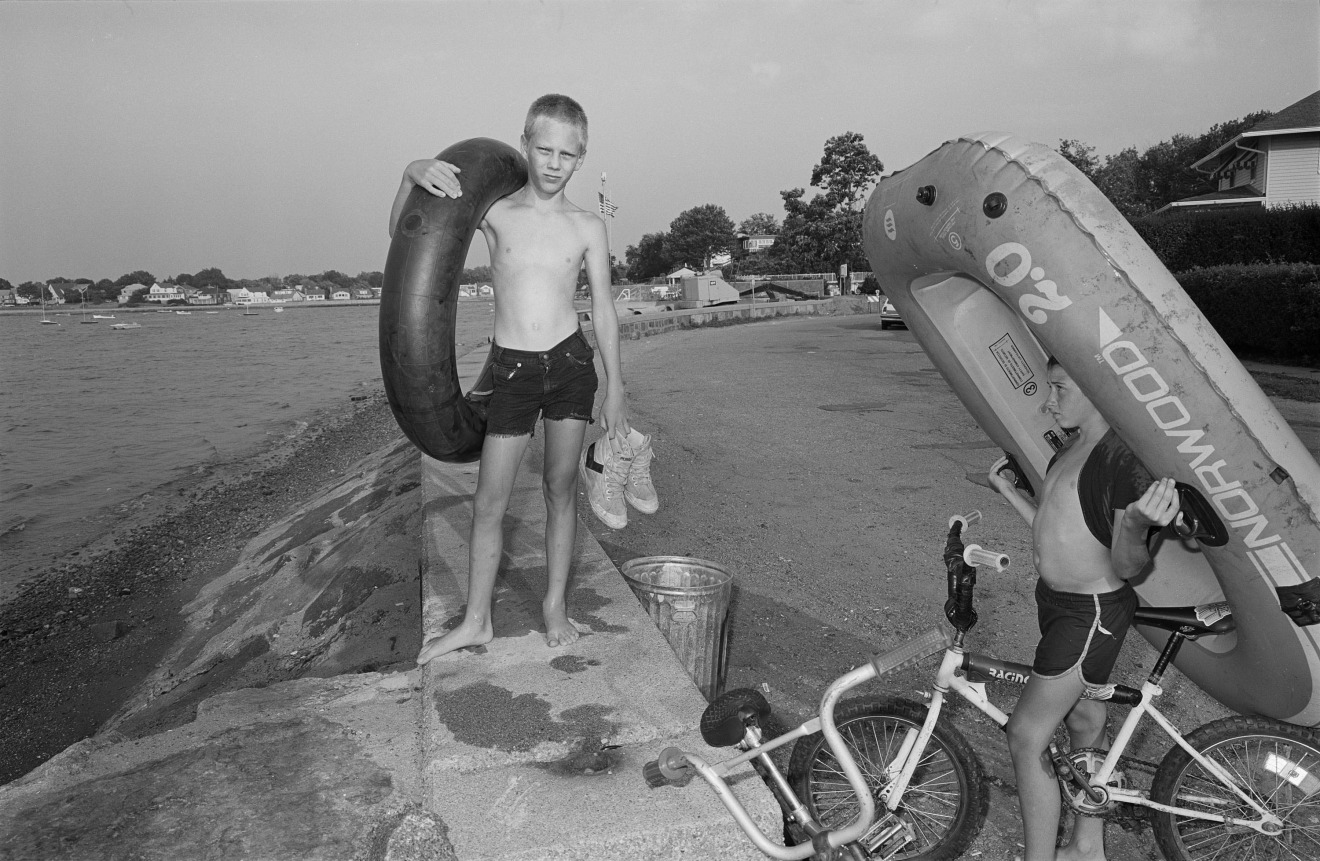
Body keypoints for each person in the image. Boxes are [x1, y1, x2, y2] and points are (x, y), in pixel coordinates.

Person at [391, 94, 630, 663]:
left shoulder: (587, 225)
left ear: (581, 158)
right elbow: (407, 234)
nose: (553, 163)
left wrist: (616, 386)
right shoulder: (496, 213)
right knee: (490, 501)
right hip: (513, 371)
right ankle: (476, 620)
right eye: (543, 149)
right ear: (524, 144)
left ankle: (554, 605)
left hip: (571, 367)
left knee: (559, 490)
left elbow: (602, 307)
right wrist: (409, 175)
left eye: (567, 155)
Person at [988, 358, 1179, 861]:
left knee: (1027, 735)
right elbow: (1056, 527)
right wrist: (1009, 491)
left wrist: (1137, 523)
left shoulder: (1122, 459)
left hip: (1089, 612)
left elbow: (1126, 565)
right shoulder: (1071, 451)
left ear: (1098, 390)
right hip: (1057, 605)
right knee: (1084, 722)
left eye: (1059, 388)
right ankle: (1088, 847)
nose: (1048, 401)